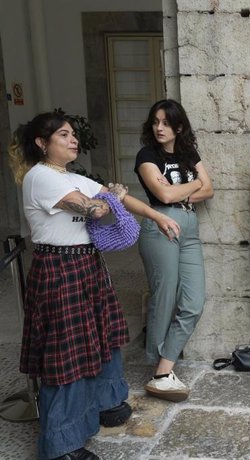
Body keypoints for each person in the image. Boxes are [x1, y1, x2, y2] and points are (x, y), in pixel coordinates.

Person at [10, 112, 180, 460]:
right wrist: (109, 199)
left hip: (87, 264)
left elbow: (118, 200)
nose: (73, 140)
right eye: (63, 135)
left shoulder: (73, 176)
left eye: (73, 134)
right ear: (42, 144)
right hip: (59, 268)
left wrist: (158, 216)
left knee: (102, 335)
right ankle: (62, 443)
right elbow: (94, 208)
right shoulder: (40, 177)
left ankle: (105, 401)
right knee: (67, 354)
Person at [135, 99, 214, 402]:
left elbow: (210, 189)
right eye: (155, 122)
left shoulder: (188, 153)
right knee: (164, 297)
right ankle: (161, 370)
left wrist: (189, 187)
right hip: (160, 227)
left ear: (179, 127)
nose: (159, 128)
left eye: (166, 123)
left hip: (190, 232)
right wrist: (193, 184)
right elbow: (164, 194)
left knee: (194, 301)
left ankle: (163, 367)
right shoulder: (147, 155)